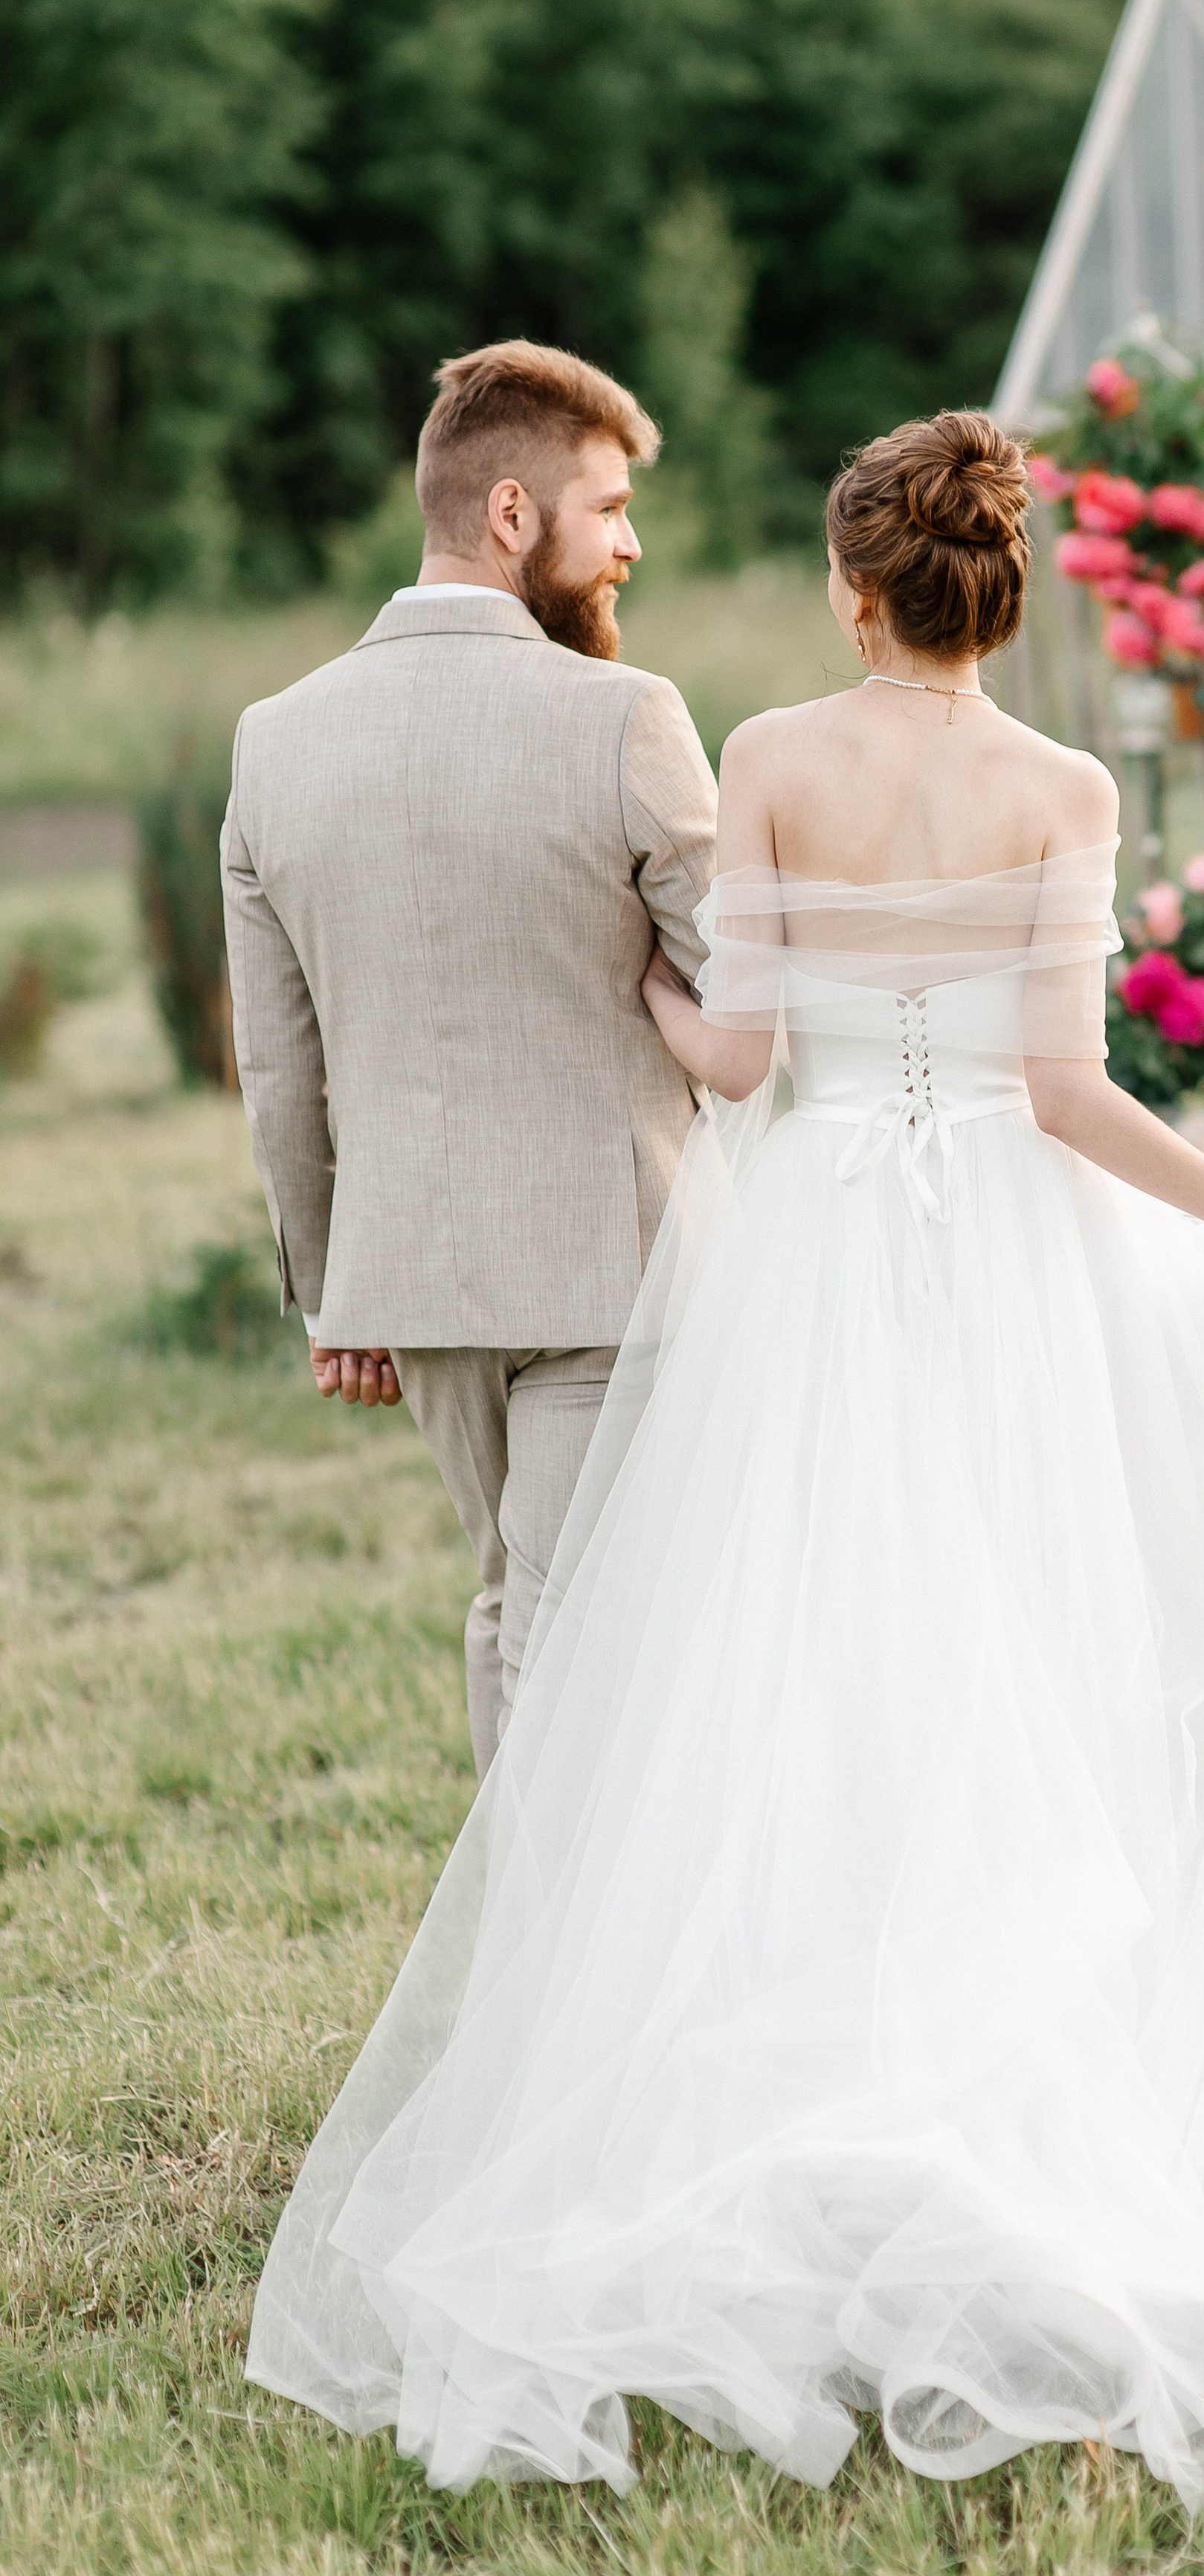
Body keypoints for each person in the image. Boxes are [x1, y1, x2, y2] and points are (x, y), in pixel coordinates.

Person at [245, 409, 1204, 2504]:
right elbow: (1069, 1091)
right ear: (1003, 590)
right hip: (1017, 1252)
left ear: (850, 583)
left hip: (815, 1265)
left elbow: (741, 1055)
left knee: (820, 1663)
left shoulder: (782, 759)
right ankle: (1064, 2048)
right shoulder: (1060, 784)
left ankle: (810, 2050)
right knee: (1048, 1640)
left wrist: (646, 987)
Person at [222, 340, 718, 1778]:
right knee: (563, 1621)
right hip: (611, 1268)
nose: (629, 544)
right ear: (513, 515)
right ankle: (563, 1981)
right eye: (610, 507)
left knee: (520, 1600)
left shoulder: (276, 739)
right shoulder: (628, 718)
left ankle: (533, 1970)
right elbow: (743, 988)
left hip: (416, 1283)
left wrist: (336, 1292)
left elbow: (279, 1064)